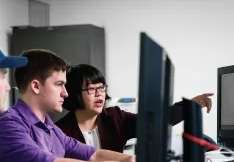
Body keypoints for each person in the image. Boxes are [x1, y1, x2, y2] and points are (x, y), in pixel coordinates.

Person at [0, 49, 136, 162]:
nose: (65, 93)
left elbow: (92, 154)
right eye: (59, 84)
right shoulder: (9, 125)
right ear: (36, 86)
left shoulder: (50, 127)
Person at [56, 64, 213, 153]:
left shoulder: (115, 118)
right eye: (91, 89)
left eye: (102, 87)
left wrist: (190, 106)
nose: (99, 94)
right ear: (76, 93)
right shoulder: (60, 131)